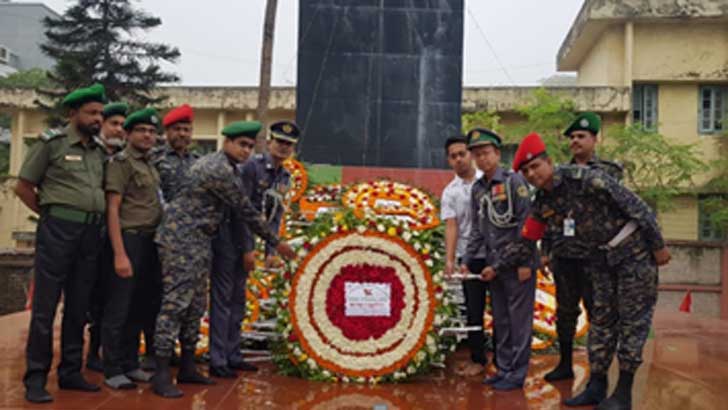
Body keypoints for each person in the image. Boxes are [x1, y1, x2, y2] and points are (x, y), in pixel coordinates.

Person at [513, 132, 671, 409]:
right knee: (601, 322)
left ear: (549, 162)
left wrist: (658, 247)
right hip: (598, 260)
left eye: (535, 166)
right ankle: (596, 386)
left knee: (632, 322)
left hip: (632, 254)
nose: (532, 173)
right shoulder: (543, 203)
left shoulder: (584, 178)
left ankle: (624, 392)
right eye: (526, 171)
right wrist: (499, 266)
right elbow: (527, 239)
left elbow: (636, 206)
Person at [151, 123, 297, 398]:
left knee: (195, 306)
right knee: (175, 304)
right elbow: (246, 211)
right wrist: (276, 243)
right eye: (241, 144)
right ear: (226, 142)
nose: (245, 151)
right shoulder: (218, 169)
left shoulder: (230, 167)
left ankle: (187, 367)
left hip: (201, 239)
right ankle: (160, 373)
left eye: (250, 146)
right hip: (181, 239)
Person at [15, 84, 108, 403]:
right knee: (45, 307)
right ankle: (36, 377)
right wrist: (52, 214)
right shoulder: (51, 144)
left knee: (79, 306)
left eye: (100, 113)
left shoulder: (100, 152)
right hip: (58, 231)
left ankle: (71, 372)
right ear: (73, 114)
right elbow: (24, 187)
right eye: (91, 113)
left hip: (90, 234)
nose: (98, 119)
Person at [208, 120, 297, 378]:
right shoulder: (251, 168)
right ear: (269, 142)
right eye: (279, 142)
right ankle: (217, 358)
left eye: (288, 145)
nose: (283, 148)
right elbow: (240, 211)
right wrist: (248, 249)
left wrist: (271, 251)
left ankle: (233, 354)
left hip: (251, 240)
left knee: (239, 300)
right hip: (229, 239)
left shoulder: (284, 177)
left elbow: (275, 214)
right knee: (223, 300)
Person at [543, 112, 624, 382]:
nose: (575, 141)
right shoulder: (558, 176)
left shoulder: (610, 172)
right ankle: (565, 364)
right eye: (573, 137)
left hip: (596, 259)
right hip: (565, 256)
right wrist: (546, 251)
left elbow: (621, 211)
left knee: (598, 315)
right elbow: (548, 212)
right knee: (565, 312)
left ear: (594, 139)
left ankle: (597, 373)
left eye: (581, 136)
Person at [460, 128, 537, 391]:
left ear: (496, 153)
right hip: (494, 265)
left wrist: (526, 262)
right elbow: (478, 229)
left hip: (517, 266)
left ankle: (517, 372)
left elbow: (527, 227)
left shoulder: (514, 182)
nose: (482, 159)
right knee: (501, 320)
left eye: (486, 153)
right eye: (477, 155)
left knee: (519, 321)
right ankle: (503, 369)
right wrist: (468, 259)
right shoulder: (478, 189)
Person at [102, 108, 164, 389]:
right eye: (141, 130)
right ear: (128, 134)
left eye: (152, 131)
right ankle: (112, 367)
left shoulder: (150, 164)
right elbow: (112, 209)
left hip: (150, 241)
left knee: (140, 306)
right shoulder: (121, 163)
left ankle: (130, 363)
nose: (148, 135)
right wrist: (119, 253)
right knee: (119, 306)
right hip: (128, 239)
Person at [86, 101, 129, 373]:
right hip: (90, 234)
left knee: (112, 297)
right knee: (90, 298)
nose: (119, 129)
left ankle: (109, 352)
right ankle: (91, 353)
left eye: (123, 125)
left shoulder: (124, 159)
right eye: (113, 123)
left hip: (117, 237)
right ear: (102, 125)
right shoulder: (93, 153)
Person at [440, 135, 486, 377]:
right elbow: (451, 226)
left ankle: (505, 359)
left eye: (462, 153)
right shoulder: (450, 192)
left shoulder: (489, 181)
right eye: (453, 156)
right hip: (468, 258)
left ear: (471, 154)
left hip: (495, 255)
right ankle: (478, 359)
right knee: (473, 309)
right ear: (449, 161)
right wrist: (450, 260)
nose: (459, 159)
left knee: (501, 309)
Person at [153, 104, 199, 203]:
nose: (182, 134)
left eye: (186, 130)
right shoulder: (153, 157)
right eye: (177, 129)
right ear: (167, 131)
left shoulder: (197, 161)